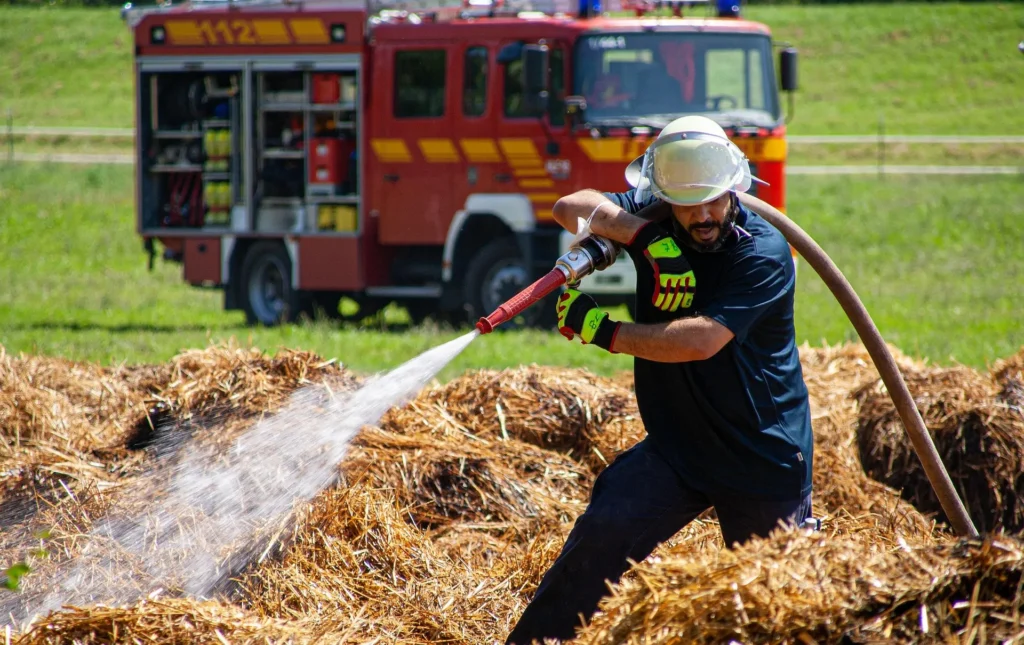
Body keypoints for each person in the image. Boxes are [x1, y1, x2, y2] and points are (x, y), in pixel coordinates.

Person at [505, 115, 813, 645]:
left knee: (779, 608)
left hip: (761, 454)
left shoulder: (761, 252)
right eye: (686, 204)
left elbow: (700, 340)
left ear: (734, 188)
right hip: (678, 448)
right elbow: (567, 207)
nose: (703, 215)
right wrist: (641, 235)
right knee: (602, 533)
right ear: (664, 195)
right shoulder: (657, 218)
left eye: (714, 200)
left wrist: (603, 329)